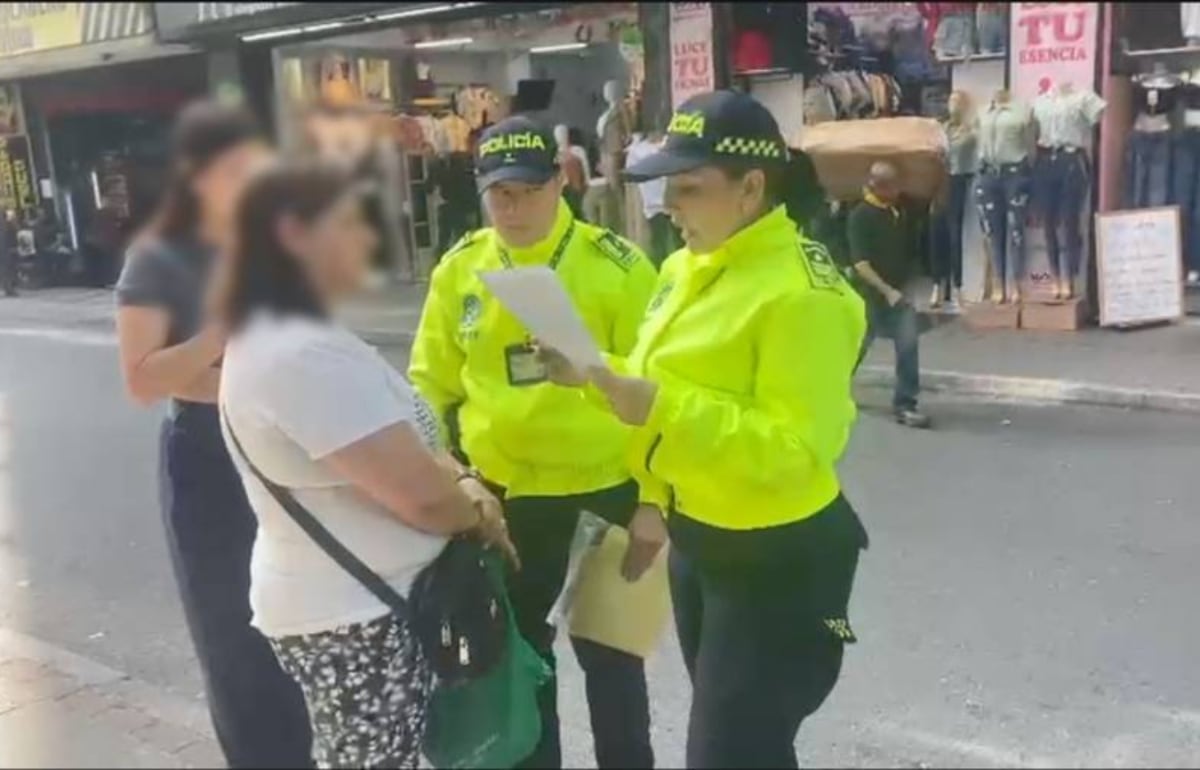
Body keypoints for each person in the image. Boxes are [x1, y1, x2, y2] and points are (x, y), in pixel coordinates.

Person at [540, 90, 870, 769]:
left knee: (730, 752)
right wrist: (599, 375)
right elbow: (664, 381)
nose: (669, 206)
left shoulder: (804, 295)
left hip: (778, 561)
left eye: (689, 188)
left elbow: (793, 448)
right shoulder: (686, 265)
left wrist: (652, 402)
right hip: (700, 537)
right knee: (748, 744)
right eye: (669, 187)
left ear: (752, 188)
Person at [219, 161, 514, 770]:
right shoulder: (296, 352)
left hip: (369, 606)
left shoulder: (298, 335)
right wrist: (476, 505)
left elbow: (407, 444)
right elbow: (421, 498)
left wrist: (454, 475)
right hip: (357, 617)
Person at [409, 115, 666, 769]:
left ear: (560, 182)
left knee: (615, 670)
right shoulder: (460, 271)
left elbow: (664, 394)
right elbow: (427, 389)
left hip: (606, 494)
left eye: (527, 190)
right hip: (505, 505)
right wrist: (450, 474)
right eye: (500, 194)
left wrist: (654, 503)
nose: (513, 207)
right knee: (520, 668)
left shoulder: (619, 267)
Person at [114, 102, 313, 768]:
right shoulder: (158, 259)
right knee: (233, 637)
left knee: (296, 622)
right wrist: (220, 338)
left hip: (281, 450)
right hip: (207, 455)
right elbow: (142, 378)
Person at [849, 161, 932, 429]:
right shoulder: (860, 216)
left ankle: (906, 405)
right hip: (869, 296)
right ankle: (833, 391)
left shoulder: (899, 210)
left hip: (899, 294)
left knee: (908, 347)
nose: (898, 189)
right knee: (855, 348)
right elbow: (861, 264)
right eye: (893, 185)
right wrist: (887, 291)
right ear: (878, 187)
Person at [1, 209, 16, 297]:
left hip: (4, 249)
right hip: (5, 250)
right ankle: (9, 288)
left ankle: (7, 288)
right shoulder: (7, 225)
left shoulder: (6, 225)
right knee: (7, 269)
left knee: (5, 269)